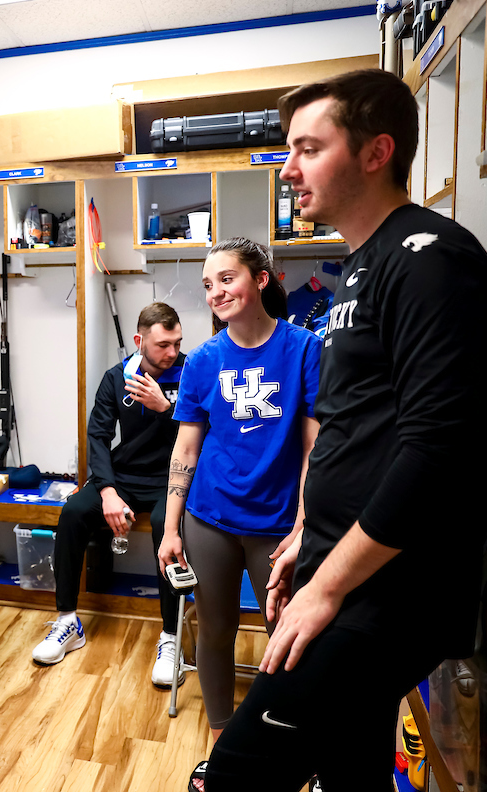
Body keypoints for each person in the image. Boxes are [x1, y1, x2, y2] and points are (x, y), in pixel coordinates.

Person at [204, 69, 487, 792]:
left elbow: (438, 452)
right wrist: (308, 539)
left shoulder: (434, 261)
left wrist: (327, 587)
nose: (288, 167)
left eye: (309, 148)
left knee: (235, 774)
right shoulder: (359, 270)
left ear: (376, 152)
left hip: (385, 595)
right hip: (341, 569)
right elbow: (344, 429)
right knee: (350, 773)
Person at [157, 238, 320, 792]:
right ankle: (224, 742)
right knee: (215, 630)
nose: (216, 292)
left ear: (262, 280)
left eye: (226, 279)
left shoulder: (303, 349)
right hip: (210, 520)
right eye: (208, 284)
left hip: (278, 525)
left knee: (288, 635)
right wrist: (170, 528)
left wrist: (303, 521)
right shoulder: (203, 360)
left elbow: (312, 448)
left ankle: (296, 743)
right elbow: (186, 451)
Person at [32, 302, 186, 686]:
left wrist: (165, 408)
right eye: (163, 345)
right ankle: (68, 621)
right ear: (139, 341)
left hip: (172, 477)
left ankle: (171, 637)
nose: (172, 353)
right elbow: (98, 438)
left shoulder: (192, 371)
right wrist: (108, 492)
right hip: (125, 476)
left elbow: (206, 431)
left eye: (177, 343)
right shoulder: (117, 378)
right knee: (71, 514)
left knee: (163, 532)